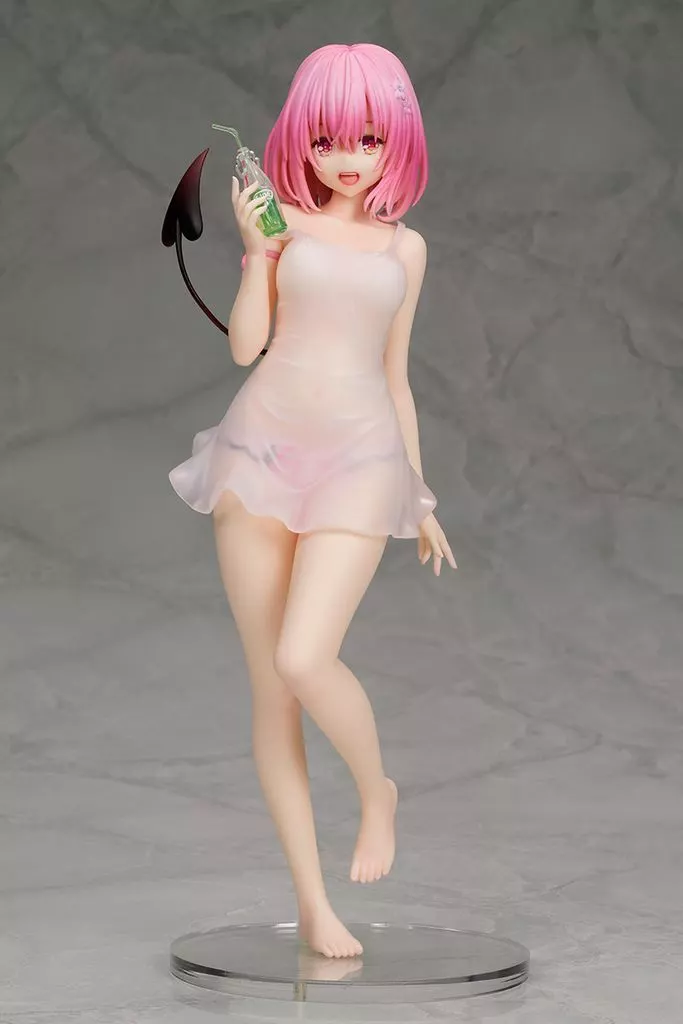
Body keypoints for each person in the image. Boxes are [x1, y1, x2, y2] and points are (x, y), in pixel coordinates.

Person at [169, 42, 457, 958]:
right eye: (328, 138)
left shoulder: (406, 247)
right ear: (302, 138)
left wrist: (419, 495)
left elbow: (396, 378)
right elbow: (244, 347)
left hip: (360, 461)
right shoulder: (281, 222)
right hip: (259, 452)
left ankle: (377, 790)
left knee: (305, 656)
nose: (348, 157)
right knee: (273, 690)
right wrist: (258, 252)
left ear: (396, 140)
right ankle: (313, 903)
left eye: (368, 137)